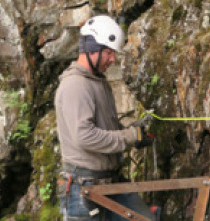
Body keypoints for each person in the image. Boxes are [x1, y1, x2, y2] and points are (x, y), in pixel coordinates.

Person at [55, 15, 156, 221]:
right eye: (109, 53)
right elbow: (84, 136)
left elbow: (106, 127)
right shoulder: (75, 85)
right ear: (92, 49)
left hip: (109, 182)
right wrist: (127, 137)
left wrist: (133, 133)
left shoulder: (98, 82)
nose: (113, 59)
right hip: (84, 189)